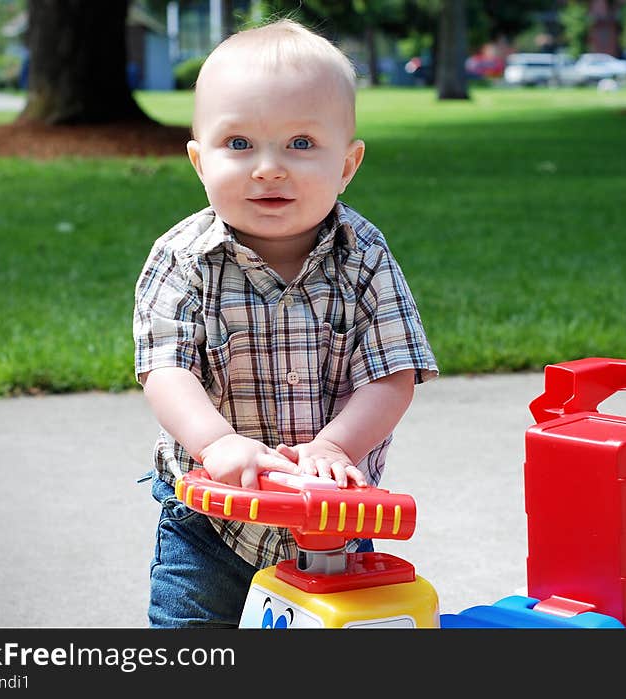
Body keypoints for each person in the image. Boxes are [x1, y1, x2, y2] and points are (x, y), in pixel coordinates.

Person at [133, 18, 438, 628]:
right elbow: (165, 368)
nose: (268, 168)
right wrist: (215, 442)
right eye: (239, 144)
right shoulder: (183, 259)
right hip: (208, 520)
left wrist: (335, 446)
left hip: (332, 524)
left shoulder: (365, 255)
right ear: (199, 160)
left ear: (347, 165)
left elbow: (391, 374)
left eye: (301, 144)